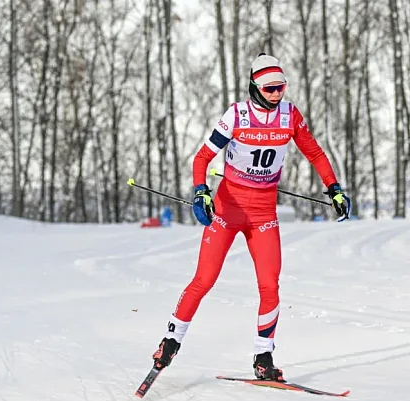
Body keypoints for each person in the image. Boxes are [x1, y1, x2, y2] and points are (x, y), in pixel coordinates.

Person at [149, 53, 351, 381]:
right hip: (228, 209)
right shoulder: (238, 115)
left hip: (263, 214)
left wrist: (335, 188)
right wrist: (201, 191)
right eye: (270, 88)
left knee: (270, 284)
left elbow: (313, 152)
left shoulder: (290, 115)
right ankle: (170, 342)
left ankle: (263, 357)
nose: (277, 94)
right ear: (255, 88)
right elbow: (202, 157)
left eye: (281, 87)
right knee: (205, 279)